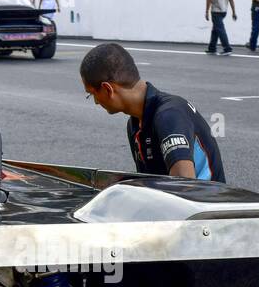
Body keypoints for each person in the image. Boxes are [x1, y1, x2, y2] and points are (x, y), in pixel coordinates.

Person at [80, 42, 225, 182]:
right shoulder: (135, 122)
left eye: (92, 94)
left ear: (107, 89)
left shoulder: (169, 114)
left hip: (207, 204)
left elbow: (184, 185)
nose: (96, 102)